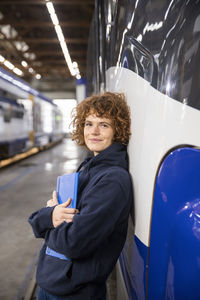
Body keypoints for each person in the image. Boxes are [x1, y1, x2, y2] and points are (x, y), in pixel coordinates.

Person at [28, 92, 133, 300]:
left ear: (117, 131)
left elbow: (73, 243)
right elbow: (40, 223)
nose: (93, 131)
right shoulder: (88, 166)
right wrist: (51, 217)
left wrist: (48, 219)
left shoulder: (113, 180)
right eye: (88, 123)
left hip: (75, 293)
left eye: (104, 125)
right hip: (52, 281)